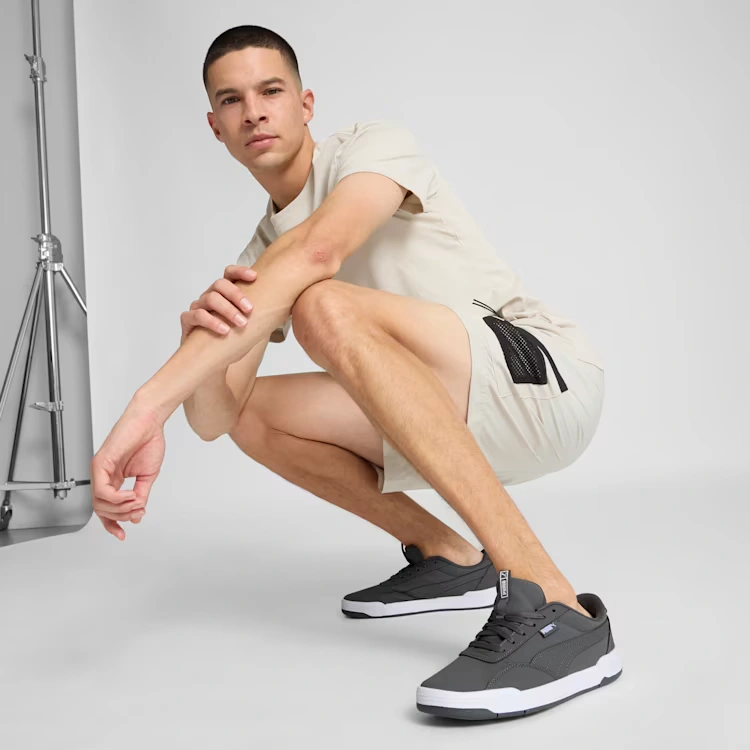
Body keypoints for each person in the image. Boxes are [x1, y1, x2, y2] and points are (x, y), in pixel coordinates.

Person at [90, 25, 622, 720]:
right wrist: (200, 340)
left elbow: (319, 251)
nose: (253, 112)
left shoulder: (371, 149)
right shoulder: (260, 252)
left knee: (321, 303)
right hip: (454, 418)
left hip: (543, 379)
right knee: (257, 412)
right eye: (231, 100)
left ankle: (554, 603)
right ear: (215, 127)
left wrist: (145, 406)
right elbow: (217, 420)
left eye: (270, 91)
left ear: (305, 103)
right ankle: (450, 556)